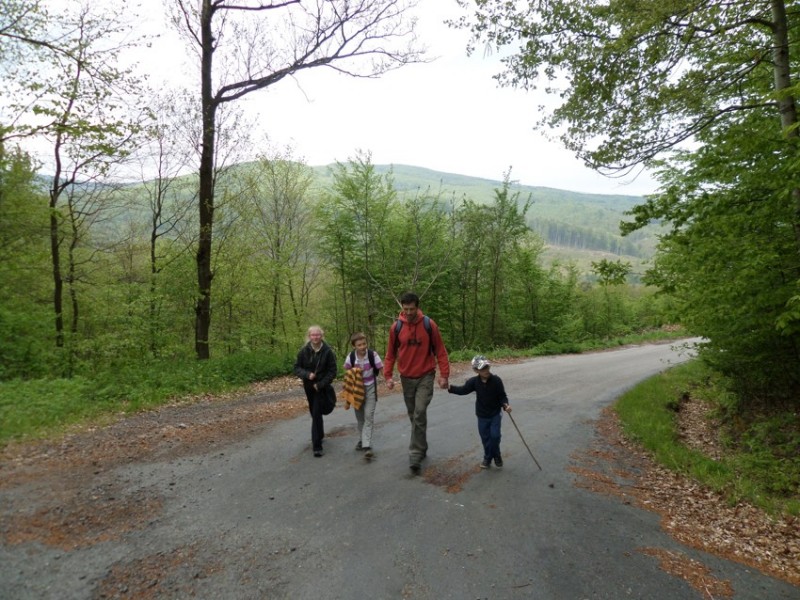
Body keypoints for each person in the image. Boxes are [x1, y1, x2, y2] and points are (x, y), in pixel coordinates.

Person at [383, 291, 450, 473]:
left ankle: (415, 453)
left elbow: (440, 351)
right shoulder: (396, 327)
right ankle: (422, 445)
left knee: (419, 412)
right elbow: (390, 354)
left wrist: (444, 375)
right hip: (406, 378)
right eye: (405, 309)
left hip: (425, 375)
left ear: (417, 307)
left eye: (411, 309)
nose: (408, 313)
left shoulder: (429, 325)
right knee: (414, 415)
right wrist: (388, 376)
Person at [448, 355, 511, 469]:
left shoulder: (496, 381)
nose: (486, 370)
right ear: (476, 370)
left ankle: (497, 455)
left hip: (495, 414)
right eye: (482, 368)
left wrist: (505, 405)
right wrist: (450, 388)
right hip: (482, 416)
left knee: (495, 436)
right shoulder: (474, 382)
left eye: (487, 367)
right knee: (485, 438)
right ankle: (488, 458)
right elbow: (463, 390)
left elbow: (502, 396)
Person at [293, 325, 337, 457]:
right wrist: (307, 375)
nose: (315, 337)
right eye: (313, 335)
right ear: (309, 336)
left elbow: (332, 371)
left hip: (322, 387)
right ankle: (320, 434)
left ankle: (317, 446)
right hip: (309, 387)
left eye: (318, 335)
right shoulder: (304, 351)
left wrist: (321, 384)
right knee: (314, 412)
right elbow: (297, 368)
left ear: (321, 336)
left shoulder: (328, 351)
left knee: (317, 411)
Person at [343, 332, 384, 459]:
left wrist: (388, 380)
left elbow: (381, 369)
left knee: (368, 416)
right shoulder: (351, 357)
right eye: (359, 345)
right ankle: (362, 440)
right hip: (357, 390)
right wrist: (353, 374)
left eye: (364, 344)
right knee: (360, 418)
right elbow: (347, 372)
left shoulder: (372, 355)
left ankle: (367, 446)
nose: (362, 347)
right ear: (354, 346)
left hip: (370, 387)